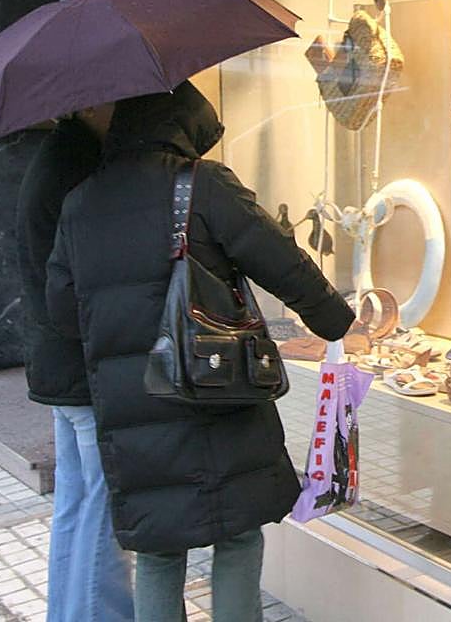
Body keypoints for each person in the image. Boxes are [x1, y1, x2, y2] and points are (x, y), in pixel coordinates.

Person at [45, 82, 355, 621]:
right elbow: (281, 261)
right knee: (236, 537)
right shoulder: (202, 184)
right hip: (217, 390)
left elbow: (62, 312)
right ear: (184, 122)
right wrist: (337, 322)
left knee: (160, 553)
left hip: (132, 402)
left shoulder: (79, 203)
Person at [14, 104, 133, 622]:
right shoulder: (76, 169)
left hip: (59, 364)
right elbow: (86, 279)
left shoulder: (56, 157)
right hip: (82, 367)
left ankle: (68, 613)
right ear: (88, 103)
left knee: (76, 501)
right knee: (102, 508)